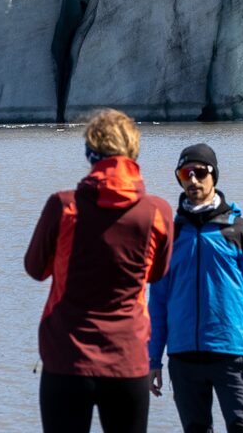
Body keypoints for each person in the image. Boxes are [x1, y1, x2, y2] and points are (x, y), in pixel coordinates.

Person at [25, 110, 174, 433]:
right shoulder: (157, 212)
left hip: (67, 357)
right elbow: (156, 273)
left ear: (90, 153)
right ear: (133, 152)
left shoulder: (64, 206)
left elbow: (35, 269)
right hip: (128, 358)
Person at [148, 144, 243, 433]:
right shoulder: (171, 233)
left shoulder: (239, 231)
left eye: (200, 173)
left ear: (213, 176)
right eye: (185, 174)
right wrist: (153, 358)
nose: (192, 180)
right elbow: (158, 302)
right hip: (182, 357)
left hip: (230, 355)